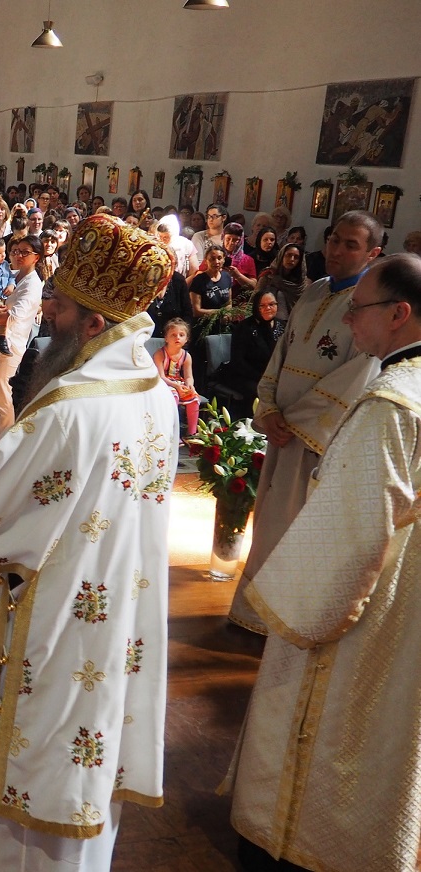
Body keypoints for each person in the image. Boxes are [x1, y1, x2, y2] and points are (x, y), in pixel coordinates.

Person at [0, 214, 176, 872]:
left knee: (26, 767)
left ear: (93, 326)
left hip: (49, 623)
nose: (47, 311)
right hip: (109, 619)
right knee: (78, 760)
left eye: (61, 305)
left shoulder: (72, 408)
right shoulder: (155, 391)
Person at [224, 254, 421, 872]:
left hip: (364, 611)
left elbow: (352, 535)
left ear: (399, 315)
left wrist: (286, 604)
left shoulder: (390, 404)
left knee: (324, 736)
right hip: (406, 603)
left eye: (359, 307)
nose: (350, 320)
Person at [228, 212, 384, 633]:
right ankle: (252, 610)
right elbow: (283, 354)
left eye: (351, 244)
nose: (337, 250)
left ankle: (281, 619)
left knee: (296, 525)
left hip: (316, 439)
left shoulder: (371, 308)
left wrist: (290, 421)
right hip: (282, 430)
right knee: (268, 520)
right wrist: (270, 410)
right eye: (334, 240)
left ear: (373, 253)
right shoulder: (313, 291)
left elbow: (358, 376)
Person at [0, 234, 44, 441]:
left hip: (10, 343)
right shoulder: (11, 275)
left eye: (25, 252)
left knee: (2, 396)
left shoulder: (33, 283)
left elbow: (14, 315)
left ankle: (6, 444)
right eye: (16, 251)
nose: (18, 256)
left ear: (36, 257)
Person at [206, 290, 279, 419]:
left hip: (272, 376)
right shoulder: (244, 328)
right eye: (262, 305)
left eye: (271, 304)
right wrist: (262, 378)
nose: (268, 308)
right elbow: (238, 362)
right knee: (260, 391)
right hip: (244, 375)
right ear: (256, 307)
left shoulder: (282, 326)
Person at [154, 317, 200, 437]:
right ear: (166, 338)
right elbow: (160, 377)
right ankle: (172, 434)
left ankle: (192, 433)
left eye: (181, 335)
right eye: (173, 335)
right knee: (173, 397)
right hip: (162, 383)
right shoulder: (160, 354)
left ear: (186, 339)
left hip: (178, 383)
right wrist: (176, 386)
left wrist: (190, 385)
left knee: (194, 398)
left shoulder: (186, 356)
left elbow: (189, 376)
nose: (177, 337)